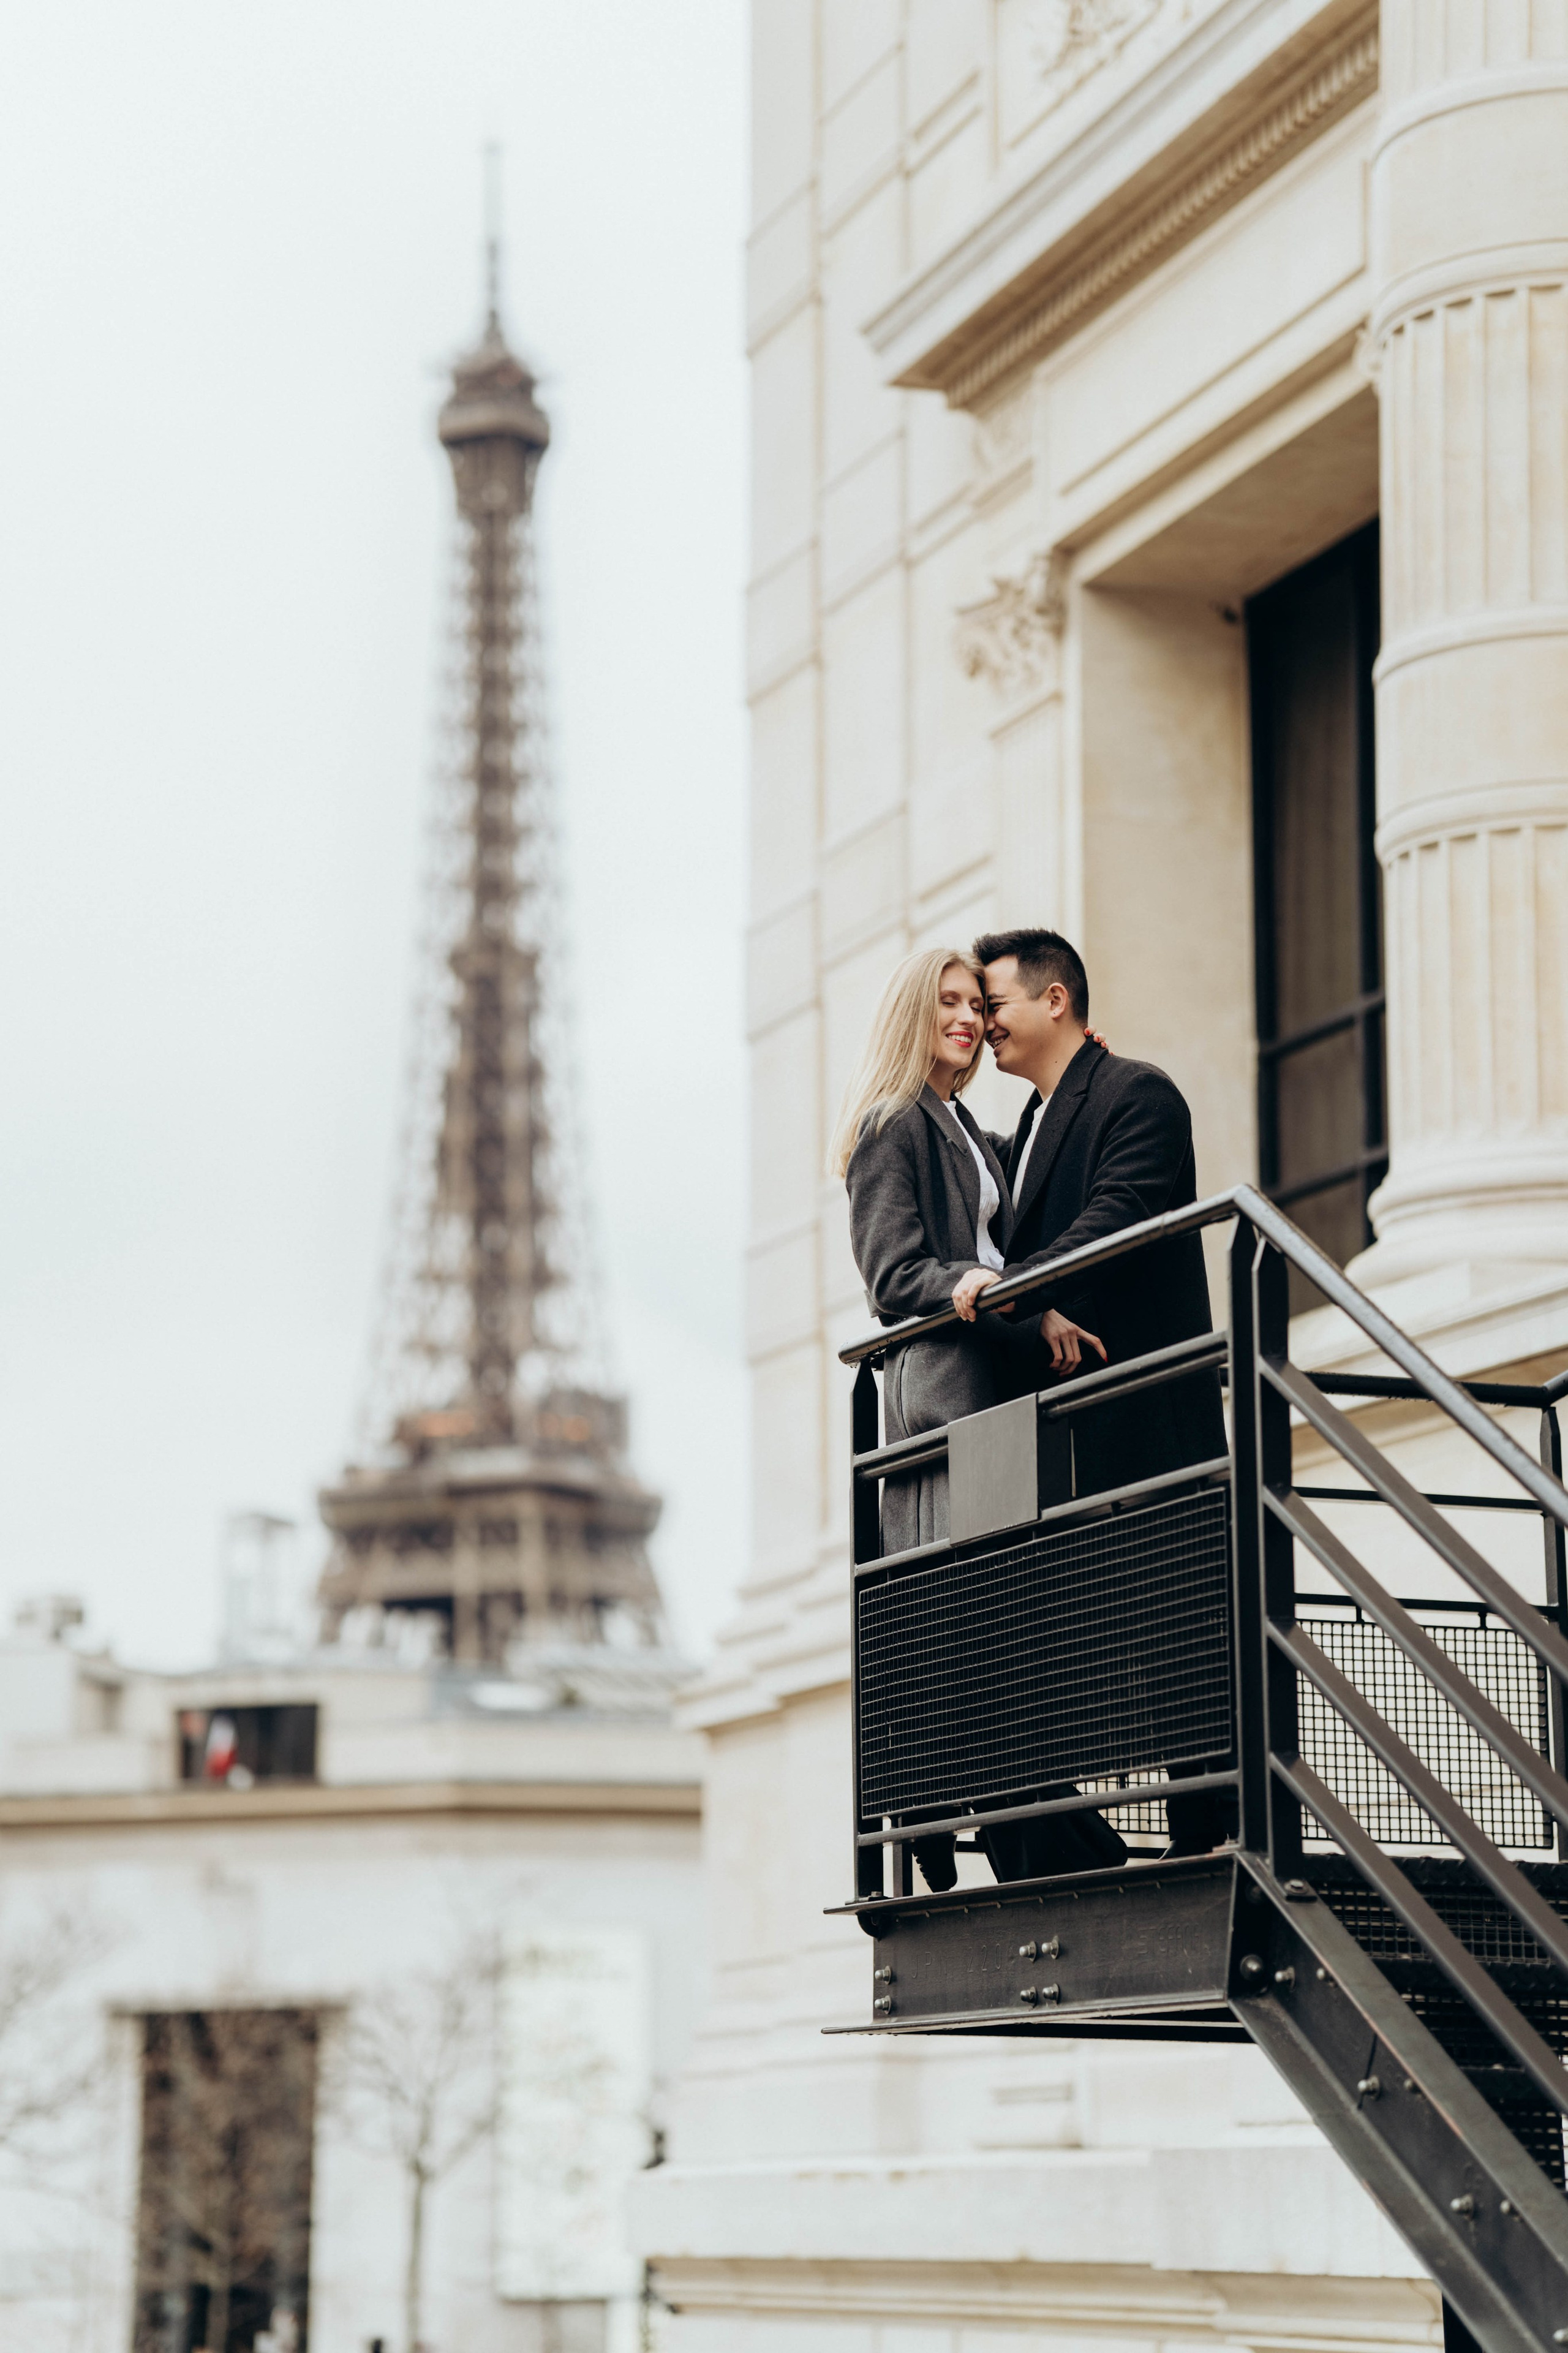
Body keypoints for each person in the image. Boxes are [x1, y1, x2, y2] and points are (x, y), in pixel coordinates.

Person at [831, 945, 1116, 1892]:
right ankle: (964, 1811)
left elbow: (1010, 1229)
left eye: (975, 1002)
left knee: (1006, 1600)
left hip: (989, 1374)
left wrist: (1037, 1315)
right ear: (913, 1015)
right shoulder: (892, 1124)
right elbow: (893, 1273)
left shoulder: (963, 1126)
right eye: (948, 1002)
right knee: (970, 1603)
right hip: (943, 1381)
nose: (966, 1017)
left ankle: (1021, 1807)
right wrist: (971, 1286)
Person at [961, 926, 1232, 1862]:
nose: (985, 1024)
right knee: (1074, 1632)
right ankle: (1061, 1832)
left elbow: (1120, 1215)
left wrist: (1002, 1296)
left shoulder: (1137, 1093)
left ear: (1055, 1000)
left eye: (994, 1004)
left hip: (1144, 1407)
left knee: (1175, 1628)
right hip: (1066, 1424)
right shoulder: (1027, 1128)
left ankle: (1211, 1836)